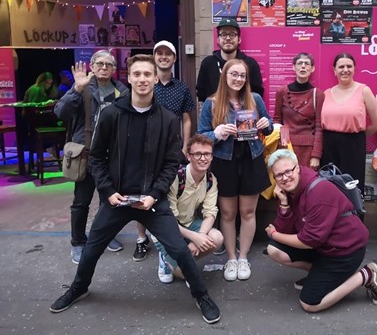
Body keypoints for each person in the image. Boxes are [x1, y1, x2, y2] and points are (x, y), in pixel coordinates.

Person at [50, 54, 221, 324]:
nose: (142, 79)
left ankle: (201, 295)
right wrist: (107, 192)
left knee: (178, 248)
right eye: (137, 74)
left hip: (152, 201)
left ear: (155, 78)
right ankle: (78, 288)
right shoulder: (111, 114)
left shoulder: (166, 119)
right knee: (93, 247)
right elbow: (96, 158)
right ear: (129, 78)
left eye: (147, 74)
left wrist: (155, 194)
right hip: (117, 199)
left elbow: (170, 163)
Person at [264, 149, 377, 312]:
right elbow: (285, 230)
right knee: (274, 249)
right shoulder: (291, 190)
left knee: (310, 303)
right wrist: (284, 204)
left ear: (298, 168)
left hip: (345, 251)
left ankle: (366, 275)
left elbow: (309, 240)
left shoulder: (317, 191)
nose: (285, 178)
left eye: (289, 171)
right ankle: (320, 275)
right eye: (279, 175)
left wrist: (274, 234)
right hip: (324, 247)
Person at [198, 59, 273, 282]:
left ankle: (243, 257)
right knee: (228, 213)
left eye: (242, 75)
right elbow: (202, 136)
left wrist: (264, 124)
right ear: (225, 76)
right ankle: (231, 258)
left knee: (248, 212)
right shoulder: (212, 104)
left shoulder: (255, 99)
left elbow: (269, 125)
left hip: (251, 158)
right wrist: (217, 133)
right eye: (234, 74)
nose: (239, 79)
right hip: (224, 161)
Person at [55, 51, 128, 264]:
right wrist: (76, 88)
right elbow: (60, 112)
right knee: (81, 202)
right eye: (100, 64)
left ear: (114, 68)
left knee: (110, 201)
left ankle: (103, 235)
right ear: (92, 66)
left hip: (112, 156)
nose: (104, 67)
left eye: (109, 64)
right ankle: (78, 242)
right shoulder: (83, 87)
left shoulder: (121, 91)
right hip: (87, 155)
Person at [131, 40, 196, 263]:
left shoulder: (182, 88)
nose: (164, 57)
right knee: (142, 191)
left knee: (170, 191)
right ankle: (141, 239)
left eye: (168, 54)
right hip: (146, 148)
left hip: (173, 148)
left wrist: (186, 144)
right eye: (159, 53)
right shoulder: (147, 83)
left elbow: (187, 118)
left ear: (174, 58)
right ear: (154, 57)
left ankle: (171, 234)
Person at [154, 134, 224, 284]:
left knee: (217, 238)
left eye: (207, 154)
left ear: (212, 156)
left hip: (189, 224)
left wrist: (200, 236)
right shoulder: (176, 177)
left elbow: (210, 212)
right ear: (188, 156)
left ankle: (184, 257)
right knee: (187, 275)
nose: (203, 158)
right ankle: (166, 259)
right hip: (166, 229)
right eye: (197, 154)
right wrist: (195, 237)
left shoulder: (211, 180)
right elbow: (168, 219)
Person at [320, 53, 377, 194]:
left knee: (351, 189)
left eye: (349, 66)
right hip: (328, 146)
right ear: (334, 70)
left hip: (353, 146)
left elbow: (376, 124)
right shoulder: (326, 94)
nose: (345, 70)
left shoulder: (364, 91)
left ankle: (353, 216)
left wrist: (357, 135)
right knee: (329, 189)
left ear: (355, 69)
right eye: (341, 66)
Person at [273, 53, 324, 169]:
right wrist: (284, 144)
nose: (303, 66)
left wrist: (316, 155)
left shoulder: (318, 94)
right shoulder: (282, 92)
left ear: (312, 68)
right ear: (293, 67)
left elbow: (319, 127)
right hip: (287, 147)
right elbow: (277, 120)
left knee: (307, 183)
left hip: (309, 150)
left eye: (307, 64)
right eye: (300, 63)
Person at [196, 18, 264, 103]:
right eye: (223, 34)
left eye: (232, 34)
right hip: (214, 113)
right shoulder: (208, 63)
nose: (228, 38)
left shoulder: (250, 64)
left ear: (239, 39)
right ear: (218, 39)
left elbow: (257, 94)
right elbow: (201, 96)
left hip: (243, 115)